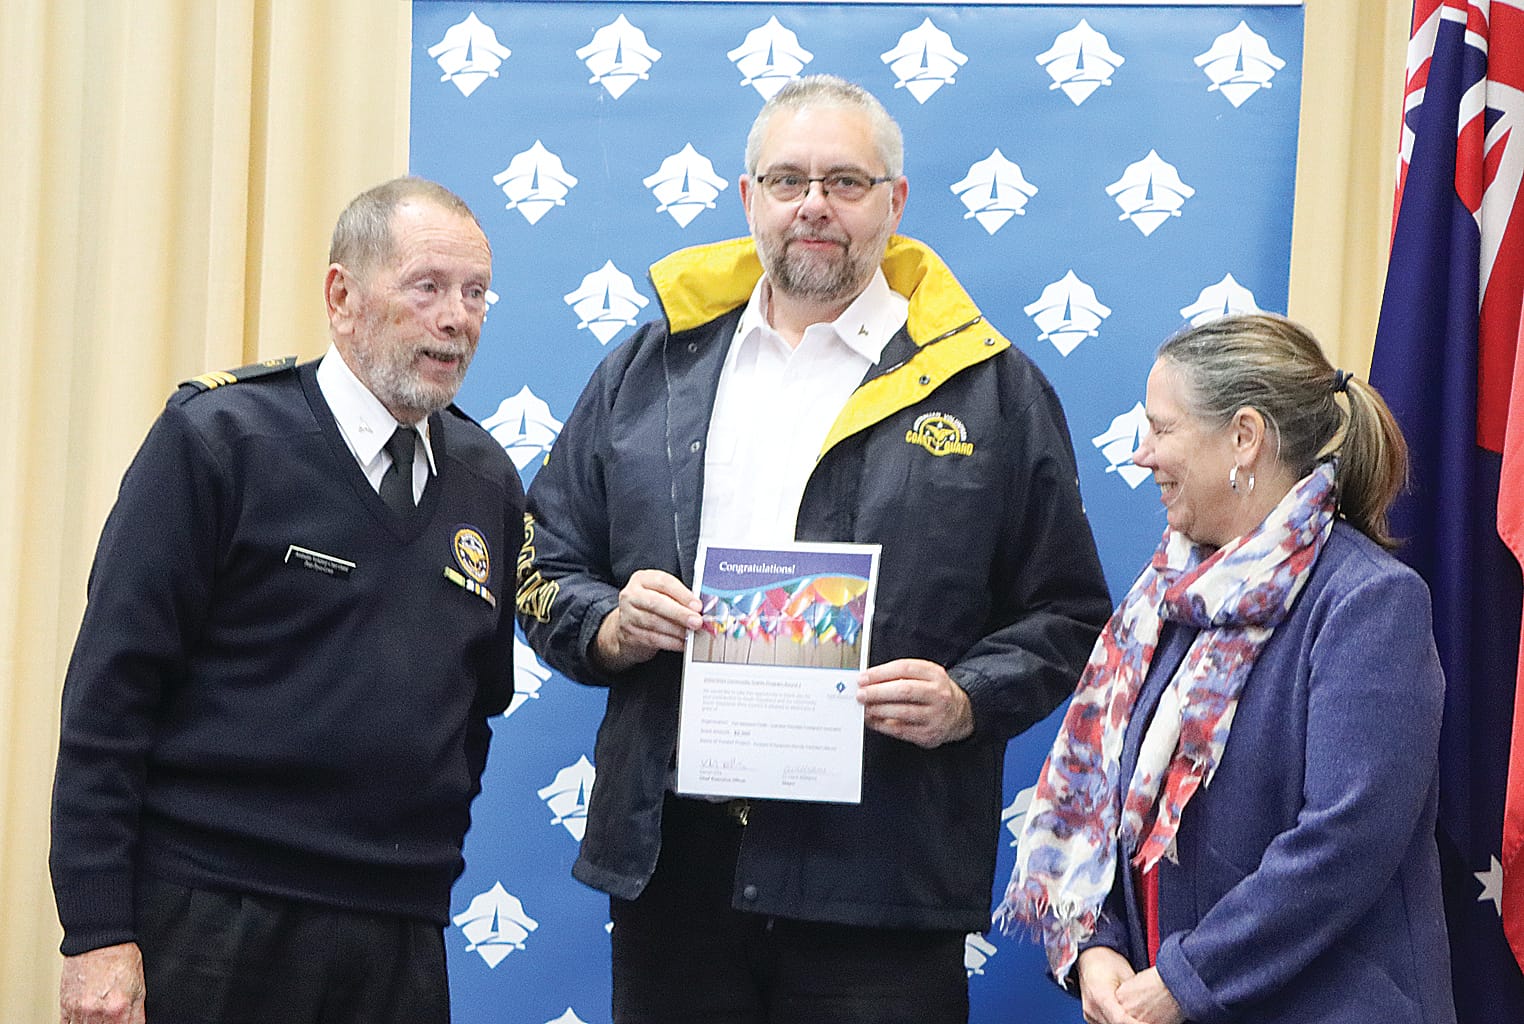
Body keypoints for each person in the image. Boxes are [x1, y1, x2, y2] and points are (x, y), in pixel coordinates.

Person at [514, 75, 1111, 1023]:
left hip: (880, 874)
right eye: (787, 181)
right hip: (676, 869)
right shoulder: (647, 370)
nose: (814, 206)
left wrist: (967, 699)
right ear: (748, 198)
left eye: (846, 181)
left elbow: (1070, 614)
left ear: (895, 201)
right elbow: (540, 561)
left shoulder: (990, 389)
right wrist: (609, 625)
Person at [49, 177, 523, 1024]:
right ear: (343, 298)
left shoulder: (487, 481)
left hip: (397, 936)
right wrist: (96, 931)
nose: (458, 318)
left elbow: (474, 710)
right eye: (427, 287)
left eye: (475, 292)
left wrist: (421, 870)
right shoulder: (222, 441)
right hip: (213, 918)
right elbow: (110, 698)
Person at [1000, 312, 1457, 1024]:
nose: (1143, 455)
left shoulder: (1369, 601)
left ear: (1244, 436)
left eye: (1162, 429)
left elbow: (1346, 841)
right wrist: (1096, 942)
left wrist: (1185, 981)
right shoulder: (1170, 598)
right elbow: (1110, 804)